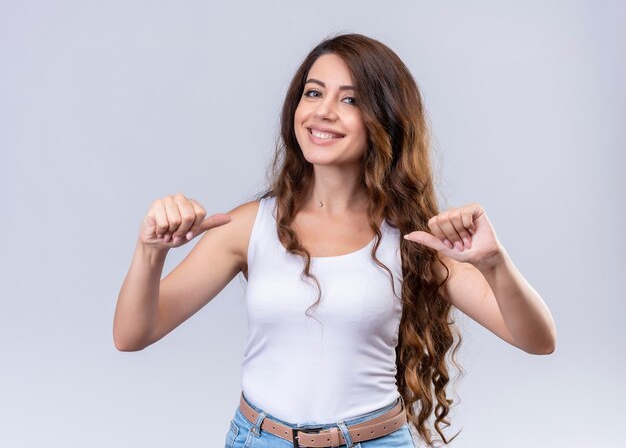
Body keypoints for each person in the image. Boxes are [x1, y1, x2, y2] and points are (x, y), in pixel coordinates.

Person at [113, 33, 557, 448]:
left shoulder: (414, 237)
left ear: (384, 120)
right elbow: (133, 334)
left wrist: (494, 263)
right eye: (313, 92)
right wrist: (149, 252)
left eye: (350, 99)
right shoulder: (247, 226)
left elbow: (538, 340)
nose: (323, 111)